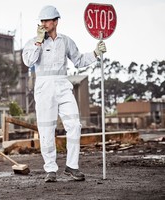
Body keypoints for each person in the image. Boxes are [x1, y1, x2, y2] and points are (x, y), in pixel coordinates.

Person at [22, 5, 106, 182]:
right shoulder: (33, 42)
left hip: (62, 84)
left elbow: (79, 60)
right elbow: (29, 61)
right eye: (42, 21)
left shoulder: (66, 41)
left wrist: (96, 53)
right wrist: (38, 42)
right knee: (46, 129)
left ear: (55, 21)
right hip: (44, 88)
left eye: (47, 20)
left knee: (74, 125)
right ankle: (50, 169)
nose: (43, 24)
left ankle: (71, 166)